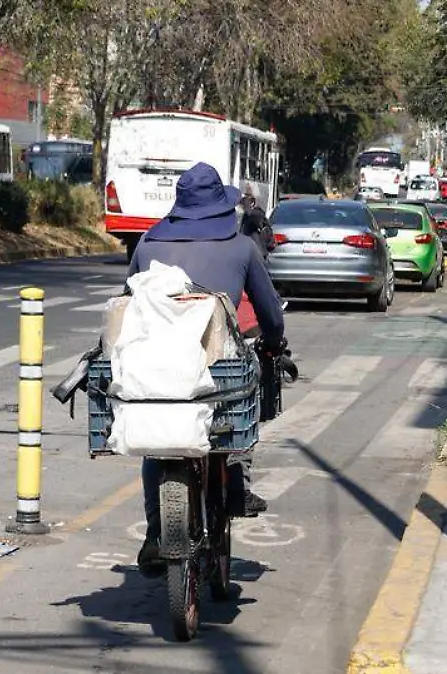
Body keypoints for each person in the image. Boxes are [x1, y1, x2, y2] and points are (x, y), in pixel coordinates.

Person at [127, 162, 287, 578]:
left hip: (157, 370)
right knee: (236, 413)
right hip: (219, 369)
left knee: (157, 442)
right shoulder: (241, 247)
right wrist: (274, 344)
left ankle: (154, 533)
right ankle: (233, 486)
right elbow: (270, 315)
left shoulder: (146, 245)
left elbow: (127, 304)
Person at [239, 190, 274, 259]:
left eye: (244, 203)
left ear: (251, 203)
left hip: (256, 252)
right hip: (259, 251)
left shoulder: (253, 215)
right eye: (242, 203)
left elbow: (246, 233)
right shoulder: (254, 214)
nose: (242, 206)